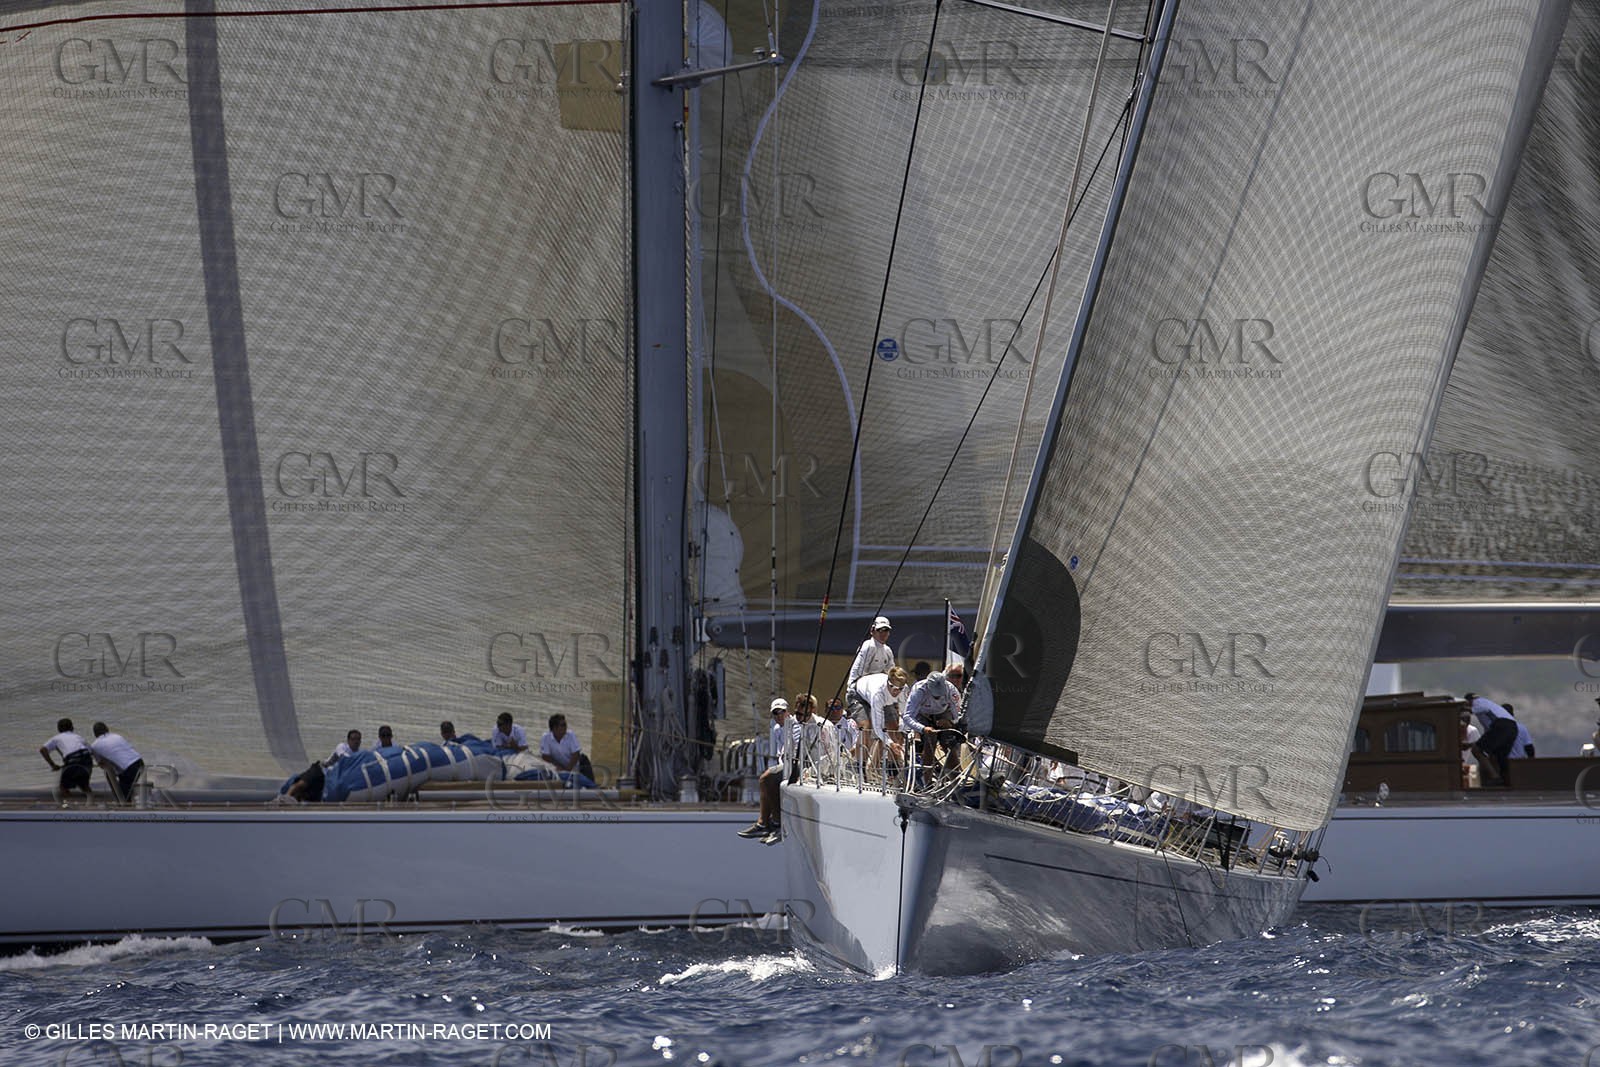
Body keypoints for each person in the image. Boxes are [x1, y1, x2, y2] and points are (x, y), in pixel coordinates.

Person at [739, 697, 799, 843]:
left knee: (765, 779)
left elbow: (796, 751)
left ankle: (771, 822)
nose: (779, 715)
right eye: (775, 713)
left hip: (797, 765)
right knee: (768, 782)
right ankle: (768, 823)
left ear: (788, 712)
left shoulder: (796, 726)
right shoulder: (777, 729)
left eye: (781, 712)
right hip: (784, 763)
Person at [903, 662, 967, 774]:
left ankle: (955, 777)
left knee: (948, 741)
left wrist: (950, 722)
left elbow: (959, 715)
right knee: (930, 740)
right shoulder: (918, 690)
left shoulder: (952, 691)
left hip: (943, 713)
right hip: (923, 715)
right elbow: (907, 716)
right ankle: (927, 780)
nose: (937, 696)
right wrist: (923, 728)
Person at [853, 667, 909, 775]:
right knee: (867, 727)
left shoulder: (904, 690)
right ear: (888, 682)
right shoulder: (878, 693)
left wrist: (902, 732)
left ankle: (890, 769)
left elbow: (904, 715)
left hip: (885, 700)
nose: (895, 691)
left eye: (899, 689)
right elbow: (878, 726)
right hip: (858, 694)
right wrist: (891, 743)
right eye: (892, 686)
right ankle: (860, 768)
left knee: (893, 728)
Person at [1464, 693, 1516, 786]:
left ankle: (1495, 777)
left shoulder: (1478, 702)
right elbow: (1489, 733)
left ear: (1469, 701)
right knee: (1499, 757)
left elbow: (1474, 710)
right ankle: (1505, 781)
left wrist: (1463, 709)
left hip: (1502, 725)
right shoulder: (1489, 708)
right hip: (1512, 727)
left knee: (1476, 750)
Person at [846, 616, 896, 709]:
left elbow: (892, 674)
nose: (884, 633)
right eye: (880, 630)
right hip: (858, 692)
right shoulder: (868, 646)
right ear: (872, 631)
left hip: (875, 692)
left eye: (886, 630)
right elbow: (861, 673)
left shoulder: (888, 650)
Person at [90, 722, 144, 805]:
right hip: (139, 762)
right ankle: (129, 801)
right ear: (107, 729)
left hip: (128, 768)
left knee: (123, 795)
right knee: (128, 786)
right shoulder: (117, 736)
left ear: (95, 734)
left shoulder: (94, 746)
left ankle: (126, 809)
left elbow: (102, 764)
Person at [39, 718, 93, 799]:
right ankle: (91, 800)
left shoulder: (56, 738)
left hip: (73, 759)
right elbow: (90, 751)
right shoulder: (78, 737)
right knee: (84, 785)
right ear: (72, 728)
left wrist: (53, 765)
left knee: (63, 786)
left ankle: (70, 804)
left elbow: (43, 750)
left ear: (58, 729)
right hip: (87, 759)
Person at [540, 713, 597, 788]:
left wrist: (567, 770)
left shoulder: (570, 735)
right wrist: (558, 767)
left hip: (579, 764)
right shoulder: (546, 738)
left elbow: (576, 754)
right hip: (561, 766)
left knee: (591, 785)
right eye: (563, 725)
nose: (566, 727)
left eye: (565, 724)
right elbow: (545, 756)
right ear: (554, 728)